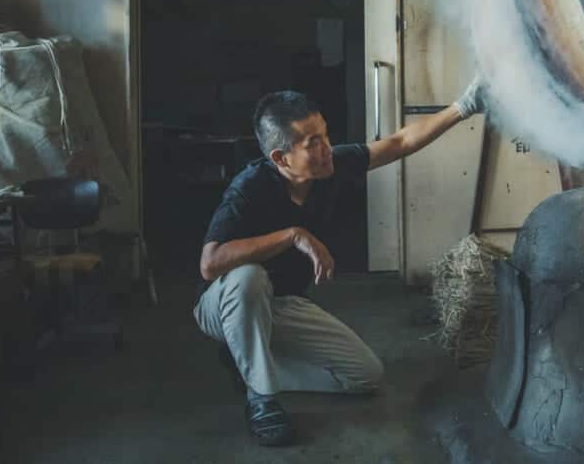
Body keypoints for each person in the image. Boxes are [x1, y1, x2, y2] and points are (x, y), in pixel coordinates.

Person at [193, 78, 485, 446]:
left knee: (365, 376)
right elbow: (211, 262)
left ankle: (251, 366)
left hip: (280, 303)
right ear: (280, 158)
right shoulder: (248, 188)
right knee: (249, 277)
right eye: (311, 143)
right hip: (224, 306)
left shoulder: (327, 167)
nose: (326, 148)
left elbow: (398, 144)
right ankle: (262, 400)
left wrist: (465, 106)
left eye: (325, 135)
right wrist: (293, 234)